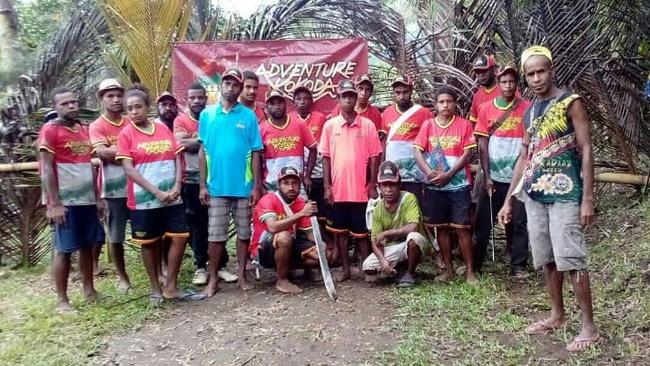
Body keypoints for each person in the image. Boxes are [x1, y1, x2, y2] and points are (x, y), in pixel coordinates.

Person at [498, 46, 599, 352]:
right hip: (535, 194)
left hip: (566, 193)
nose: (537, 78)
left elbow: (586, 149)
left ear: (552, 70)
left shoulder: (571, 102)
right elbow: (524, 157)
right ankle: (557, 315)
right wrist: (507, 200)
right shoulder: (529, 111)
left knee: (572, 258)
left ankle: (589, 327)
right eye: (530, 74)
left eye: (541, 71)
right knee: (547, 258)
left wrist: (588, 198)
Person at [116, 84, 204, 303]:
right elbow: (128, 169)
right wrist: (156, 192)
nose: (134, 111)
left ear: (147, 107)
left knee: (181, 237)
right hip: (144, 200)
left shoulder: (163, 128)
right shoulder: (126, 134)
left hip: (172, 196)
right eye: (130, 108)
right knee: (150, 242)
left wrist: (176, 185)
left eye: (138, 106)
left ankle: (171, 286)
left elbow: (176, 155)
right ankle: (156, 287)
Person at [198, 68, 264, 296]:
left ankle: (242, 276)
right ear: (221, 86)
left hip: (243, 187)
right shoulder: (207, 115)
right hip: (216, 187)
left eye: (235, 84)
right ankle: (213, 278)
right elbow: (202, 150)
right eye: (227, 83)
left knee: (244, 233)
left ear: (239, 88)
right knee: (216, 236)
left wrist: (255, 186)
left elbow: (256, 151)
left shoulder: (248, 116)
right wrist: (202, 185)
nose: (231, 88)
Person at [39, 86, 104, 313]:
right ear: (56, 107)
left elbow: (90, 165)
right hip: (65, 201)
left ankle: (89, 290)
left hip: (86, 197)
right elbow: (46, 168)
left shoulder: (82, 130)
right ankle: (62, 300)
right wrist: (54, 203)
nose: (71, 106)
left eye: (74, 102)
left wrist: (97, 197)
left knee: (87, 245)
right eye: (65, 103)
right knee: (64, 249)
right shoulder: (50, 130)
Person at [173, 82, 237, 286]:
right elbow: (181, 144)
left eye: (200, 97)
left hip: (216, 178)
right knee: (198, 226)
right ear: (187, 100)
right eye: (192, 98)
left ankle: (221, 266)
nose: (197, 101)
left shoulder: (212, 116)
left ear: (206, 98)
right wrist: (202, 141)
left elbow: (218, 142)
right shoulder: (181, 120)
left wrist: (197, 141)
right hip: (191, 182)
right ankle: (201, 267)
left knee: (218, 225)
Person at [413, 85, 478, 284]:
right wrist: (430, 173)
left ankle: (470, 272)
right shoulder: (428, 126)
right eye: (441, 102)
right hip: (435, 187)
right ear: (435, 104)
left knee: (462, 228)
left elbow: (468, 153)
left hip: (458, 185)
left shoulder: (464, 125)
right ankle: (448, 270)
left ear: (455, 103)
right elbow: (418, 151)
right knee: (440, 228)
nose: (445, 105)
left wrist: (449, 174)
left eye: (449, 101)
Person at [320, 79, 382, 282]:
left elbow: (375, 157)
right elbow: (326, 157)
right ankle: (346, 270)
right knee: (340, 233)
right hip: (338, 190)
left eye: (351, 96)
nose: (347, 100)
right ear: (339, 99)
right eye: (344, 96)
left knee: (362, 234)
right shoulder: (330, 125)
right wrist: (327, 186)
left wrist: (372, 184)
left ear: (356, 99)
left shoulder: (368, 125)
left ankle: (368, 268)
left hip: (361, 190)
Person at [473, 65, 531, 276]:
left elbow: (530, 143)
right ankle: (476, 265)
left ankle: (519, 265)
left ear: (517, 84)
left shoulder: (527, 108)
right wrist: (486, 176)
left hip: (518, 176)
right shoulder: (487, 108)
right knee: (482, 222)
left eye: (512, 82)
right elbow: (482, 144)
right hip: (493, 176)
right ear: (498, 84)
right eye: (504, 82)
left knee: (518, 221)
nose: (508, 85)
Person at [251, 166, 326, 294]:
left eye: (295, 183)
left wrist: (321, 246)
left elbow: (309, 234)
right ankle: (282, 280)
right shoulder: (268, 200)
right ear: (279, 185)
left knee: (322, 254)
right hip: (264, 248)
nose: (291, 187)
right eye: (286, 183)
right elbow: (273, 227)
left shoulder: (301, 202)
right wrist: (301, 213)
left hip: (289, 246)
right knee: (283, 236)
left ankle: (297, 271)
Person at [89, 78, 131, 292]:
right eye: (110, 96)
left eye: (118, 95)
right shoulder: (97, 126)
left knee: (150, 231)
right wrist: (131, 150)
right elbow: (102, 153)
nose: (115, 100)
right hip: (113, 190)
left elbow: (112, 151)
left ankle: (159, 269)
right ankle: (122, 276)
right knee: (116, 237)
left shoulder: (131, 120)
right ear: (101, 99)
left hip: (138, 188)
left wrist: (115, 150)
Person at [362, 161, 430, 287]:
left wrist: (387, 233)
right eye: (384, 185)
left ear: (399, 185)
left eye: (392, 185)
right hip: (395, 247)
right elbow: (375, 240)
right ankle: (400, 269)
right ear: (379, 187)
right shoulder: (378, 208)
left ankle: (410, 274)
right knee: (368, 268)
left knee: (413, 239)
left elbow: (413, 226)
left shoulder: (408, 198)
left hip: (413, 243)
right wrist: (382, 261)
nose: (388, 190)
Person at [382, 74, 434, 203]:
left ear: (411, 91)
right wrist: (382, 167)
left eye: (405, 92)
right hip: (392, 175)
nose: (401, 96)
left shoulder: (424, 113)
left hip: (415, 176)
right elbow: (384, 143)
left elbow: (430, 143)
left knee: (414, 207)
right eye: (398, 92)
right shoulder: (387, 113)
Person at [260, 89, 317, 193]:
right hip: (272, 185)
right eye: (272, 103)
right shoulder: (262, 129)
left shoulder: (299, 124)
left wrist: (307, 176)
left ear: (285, 104)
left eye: (280, 102)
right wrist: (260, 183)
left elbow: (313, 149)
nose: (277, 106)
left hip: (296, 184)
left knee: (303, 209)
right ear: (266, 106)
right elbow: (257, 158)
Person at [290, 86, 328, 223]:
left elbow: (324, 144)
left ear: (311, 101)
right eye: (298, 99)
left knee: (320, 207)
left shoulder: (320, 118)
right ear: (294, 102)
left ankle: (323, 238)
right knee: (302, 205)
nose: (302, 101)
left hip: (318, 171)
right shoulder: (290, 119)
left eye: (306, 98)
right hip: (298, 170)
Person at [468, 54, 500, 124]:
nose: (481, 75)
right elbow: (473, 122)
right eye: (478, 72)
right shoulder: (477, 96)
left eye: (484, 71)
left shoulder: (506, 91)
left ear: (493, 70)